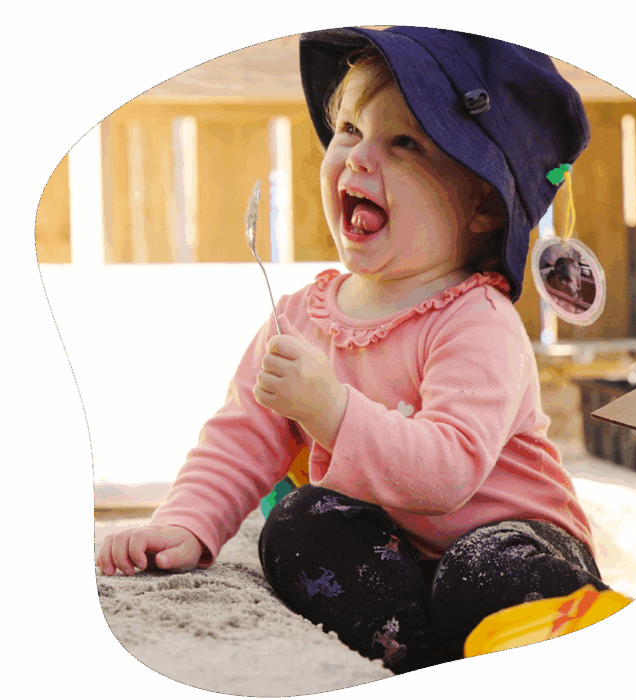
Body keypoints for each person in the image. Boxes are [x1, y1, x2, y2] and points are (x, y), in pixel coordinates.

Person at [97, 27, 609, 674]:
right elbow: (241, 436)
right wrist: (187, 523)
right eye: (347, 129)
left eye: (403, 143)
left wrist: (332, 409)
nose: (359, 157)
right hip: (395, 558)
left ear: (482, 205)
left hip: (521, 553)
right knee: (299, 522)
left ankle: (546, 638)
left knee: (484, 567)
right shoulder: (301, 317)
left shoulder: (476, 321)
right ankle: (413, 652)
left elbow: (448, 475)